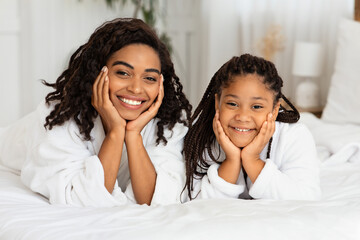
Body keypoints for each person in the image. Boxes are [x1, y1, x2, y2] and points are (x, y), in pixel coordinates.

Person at [0, 18, 192, 207]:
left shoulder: (168, 123)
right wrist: (117, 132)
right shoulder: (60, 116)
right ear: (98, 72)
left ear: (161, 85)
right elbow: (80, 198)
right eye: (123, 73)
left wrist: (133, 135)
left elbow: (158, 198)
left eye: (149, 78)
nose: (136, 89)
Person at [183, 54, 321, 201]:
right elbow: (194, 202)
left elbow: (307, 198)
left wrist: (252, 159)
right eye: (232, 104)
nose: (242, 116)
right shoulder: (201, 137)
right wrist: (231, 160)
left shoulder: (294, 136)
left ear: (275, 110)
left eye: (256, 106)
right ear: (218, 103)